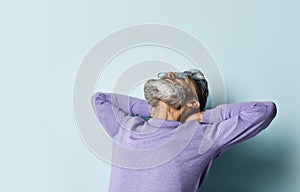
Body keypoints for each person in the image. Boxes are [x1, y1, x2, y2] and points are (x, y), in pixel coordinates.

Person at [91, 69, 277, 192]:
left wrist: (199, 116)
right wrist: (155, 109)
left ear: (192, 102)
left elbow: (263, 110)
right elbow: (99, 100)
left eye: (179, 79)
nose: (171, 74)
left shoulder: (201, 137)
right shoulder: (127, 128)